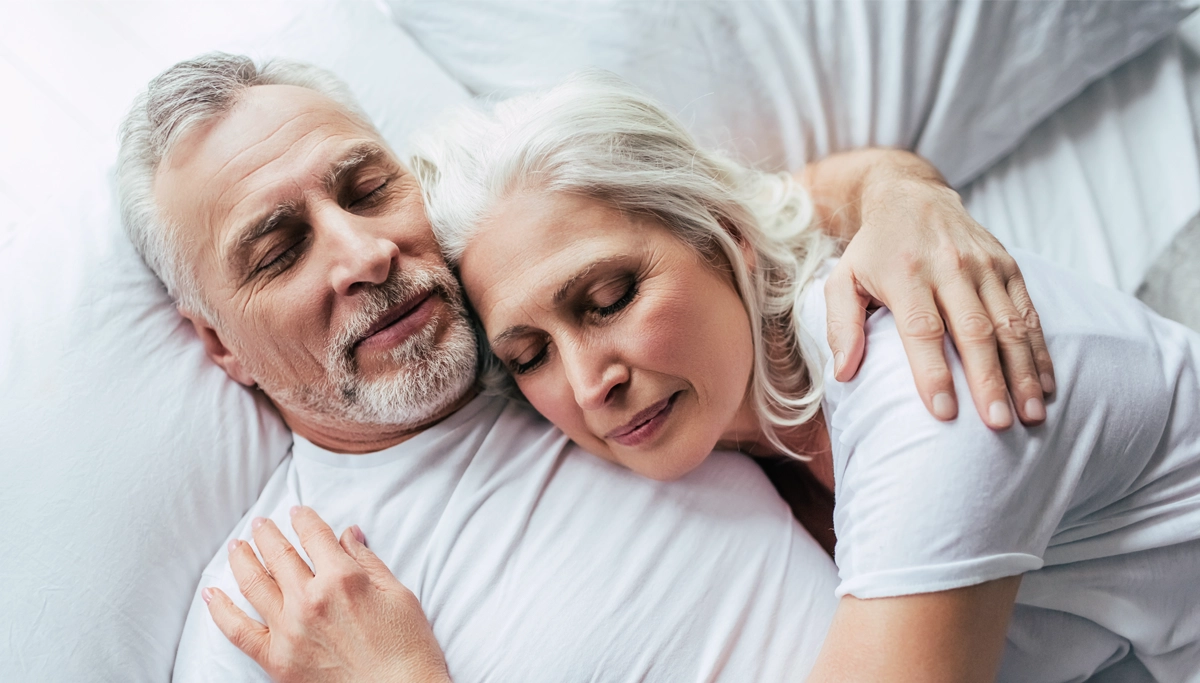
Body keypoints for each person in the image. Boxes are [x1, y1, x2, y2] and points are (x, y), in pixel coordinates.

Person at [118, 55, 1054, 682]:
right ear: (221, 345)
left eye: (367, 188)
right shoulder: (270, 611)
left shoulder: (528, 315)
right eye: (279, 250)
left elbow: (739, 211)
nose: (363, 252)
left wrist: (902, 191)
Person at [397, 74, 1200, 681]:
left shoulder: (927, 385)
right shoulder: (725, 415)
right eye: (530, 354)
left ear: (728, 236)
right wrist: (894, 184)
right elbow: (809, 191)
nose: (586, 381)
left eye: (608, 299)